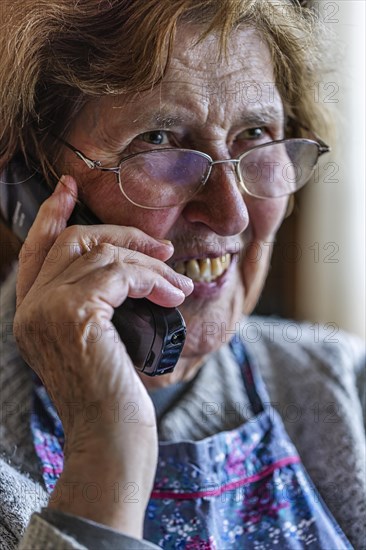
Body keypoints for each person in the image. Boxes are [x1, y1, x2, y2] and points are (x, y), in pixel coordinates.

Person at [0, 0, 365, 548]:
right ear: (28, 183)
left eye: (256, 133)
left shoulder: (346, 389)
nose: (232, 213)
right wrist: (106, 449)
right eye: (160, 139)